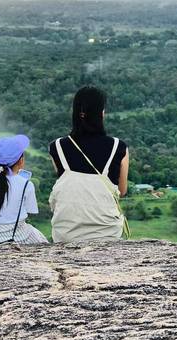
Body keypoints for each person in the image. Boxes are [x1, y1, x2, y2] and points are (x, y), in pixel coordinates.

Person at [48, 86, 130, 242]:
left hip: (66, 234)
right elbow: (122, 190)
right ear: (101, 113)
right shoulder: (118, 147)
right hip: (106, 234)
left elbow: (67, 183)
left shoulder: (56, 147)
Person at [0, 135, 48, 244]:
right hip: (15, 235)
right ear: (21, 161)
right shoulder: (26, 184)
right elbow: (31, 211)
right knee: (41, 240)